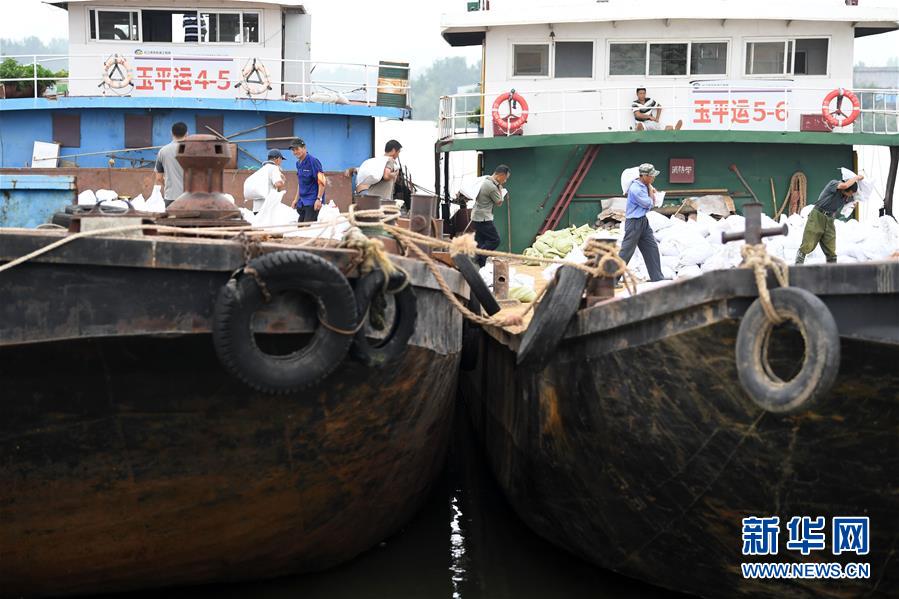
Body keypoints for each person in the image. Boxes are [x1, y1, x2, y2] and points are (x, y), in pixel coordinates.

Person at [795, 174, 863, 264]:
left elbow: (847, 208)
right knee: (808, 243)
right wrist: (856, 178)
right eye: (850, 193)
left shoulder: (846, 196)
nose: (851, 195)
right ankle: (798, 266)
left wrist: (851, 205)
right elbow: (845, 185)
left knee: (831, 248)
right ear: (845, 189)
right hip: (817, 215)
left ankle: (832, 269)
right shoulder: (834, 184)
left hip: (830, 219)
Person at [619, 163, 665, 282]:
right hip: (634, 223)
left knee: (652, 248)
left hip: (643, 221)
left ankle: (658, 278)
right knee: (626, 252)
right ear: (644, 176)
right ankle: (611, 281)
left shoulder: (643, 184)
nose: (653, 178)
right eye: (651, 176)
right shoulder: (636, 189)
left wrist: (649, 187)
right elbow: (650, 204)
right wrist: (650, 189)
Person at [471, 165, 510, 267]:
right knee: (495, 240)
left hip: (476, 216)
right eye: (505, 178)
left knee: (481, 242)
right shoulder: (492, 187)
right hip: (484, 218)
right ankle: (479, 255)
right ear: (501, 175)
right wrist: (500, 189)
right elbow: (499, 202)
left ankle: (480, 267)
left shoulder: (485, 180)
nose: (505, 181)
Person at [288, 138, 326, 222]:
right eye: (293, 150)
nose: (295, 152)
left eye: (297, 149)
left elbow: (322, 182)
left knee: (307, 228)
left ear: (304, 148)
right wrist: (296, 199)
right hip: (302, 201)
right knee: (300, 227)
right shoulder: (298, 163)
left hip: (312, 202)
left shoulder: (313, 161)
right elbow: (300, 183)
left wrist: (319, 199)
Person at [154, 122, 188, 206]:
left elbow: (158, 178)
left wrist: (170, 186)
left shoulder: (163, 151)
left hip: (170, 197)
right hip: (188, 198)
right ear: (187, 133)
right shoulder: (193, 151)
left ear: (171, 133)